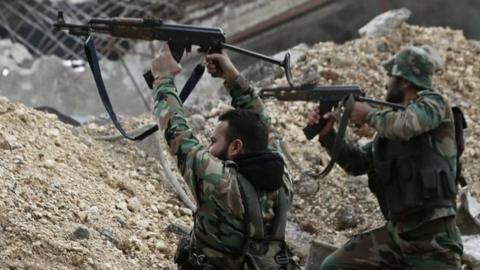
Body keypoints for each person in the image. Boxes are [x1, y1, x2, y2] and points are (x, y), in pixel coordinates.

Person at [307, 46, 463, 270]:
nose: (386, 83)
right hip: (397, 235)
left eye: (391, 77)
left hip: (433, 241)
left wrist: (369, 114)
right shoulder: (390, 130)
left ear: (404, 82)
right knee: (333, 267)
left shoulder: (434, 104)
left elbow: (407, 125)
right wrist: (328, 135)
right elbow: (357, 162)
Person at [150, 44, 297, 269]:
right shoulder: (283, 178)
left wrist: (162, 77)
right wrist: (234, 79)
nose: (208, 149)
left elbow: (177, 133)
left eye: (213, 141)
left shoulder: (220, 183)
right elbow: (260, 126)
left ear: (236, 147)